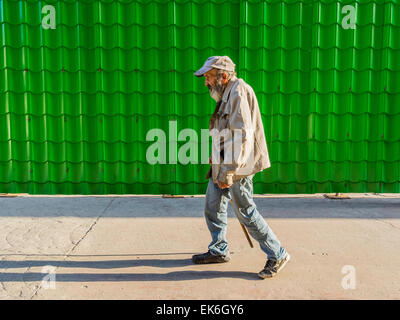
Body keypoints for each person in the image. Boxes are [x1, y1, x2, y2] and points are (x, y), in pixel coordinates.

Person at [192, 56, 290, 278]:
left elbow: (242, 136)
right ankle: (219, 249)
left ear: (223, 76)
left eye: (208, 77)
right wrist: (215, 156)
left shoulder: (237, 92)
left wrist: (229, 171)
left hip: (238, 166)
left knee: (245, 211)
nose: (205, 82)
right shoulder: (225, 92)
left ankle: (278, 253)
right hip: (224, 162)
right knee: (212, 204)